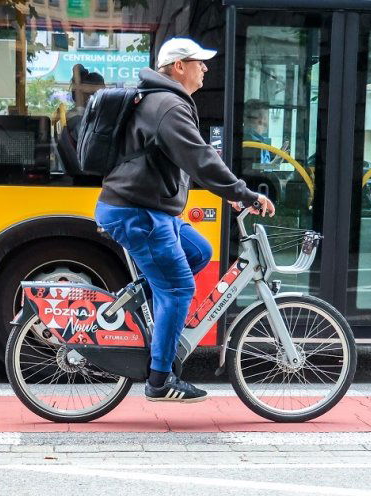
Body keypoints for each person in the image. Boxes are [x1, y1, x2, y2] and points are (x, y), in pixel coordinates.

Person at [95, 38, 275, 402]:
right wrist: (243, 194)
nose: (205, 69)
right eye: (199, 62)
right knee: (178, 289)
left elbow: (188, 160)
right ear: (179, 67)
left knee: (199, 252)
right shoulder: (167, 106)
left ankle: (134, 306)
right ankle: (159, 379)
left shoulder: (162, 101)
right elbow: (200, 158)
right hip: (138, 213)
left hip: (150, 209)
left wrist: (230, 195)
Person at [244, 99, 288, 168]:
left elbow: (258, 168)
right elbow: (252, 171)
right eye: (265, 117)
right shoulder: (248, 142)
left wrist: (273, 164)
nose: (266, 121)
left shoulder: (260, 141)